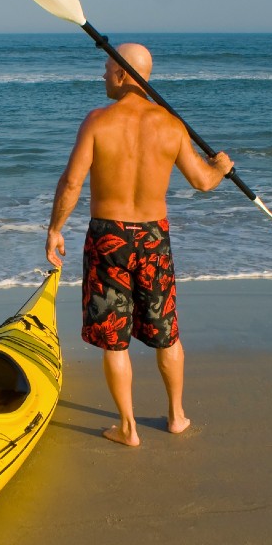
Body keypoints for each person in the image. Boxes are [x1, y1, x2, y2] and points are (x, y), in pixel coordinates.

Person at [45, 42, 233, 446]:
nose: (102, 76)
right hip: (152, 238)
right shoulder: (170, 124)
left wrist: (54, 229)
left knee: (114, 338)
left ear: (121, 74)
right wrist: (220, 167)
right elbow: (202, 182)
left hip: (108, 238)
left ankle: (128, 428)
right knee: (167, 332)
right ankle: (177, 416)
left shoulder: (98, 121)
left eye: (106, 69)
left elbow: (72, 182)